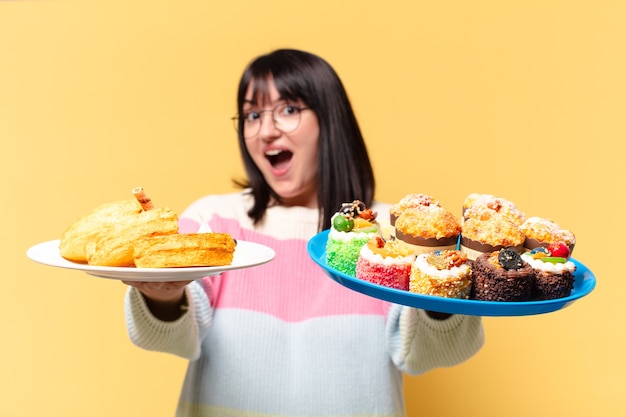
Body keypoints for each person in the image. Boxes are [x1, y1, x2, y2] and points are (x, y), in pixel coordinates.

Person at [123, 48, 484, 417]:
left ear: (330, 121)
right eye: (252, 114)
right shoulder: (212, 220)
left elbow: (428, 353)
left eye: (289, 110)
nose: (265, 131)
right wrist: (162, 297)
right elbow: (170, 338)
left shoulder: (394, 234)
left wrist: (443, 284)